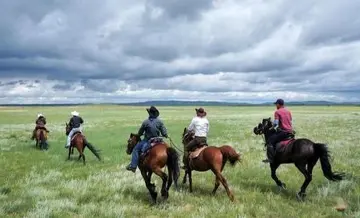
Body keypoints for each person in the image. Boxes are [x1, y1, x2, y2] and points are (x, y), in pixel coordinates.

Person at [126, 106, 168, 173]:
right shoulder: (160, 122)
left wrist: (138, 135)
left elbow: (140, 133)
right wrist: (166, 135)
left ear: (149, 113)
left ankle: (133, 166)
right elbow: (164, 133)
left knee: (135, 149)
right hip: (158, 140)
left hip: (148, 140)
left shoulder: (145, 122)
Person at [264, 99, 293, 164]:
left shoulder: (277, 112)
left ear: (279, 104)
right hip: (290, 132)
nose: (276, 105)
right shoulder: (288, 111)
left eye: (276, 104)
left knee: (270, 141)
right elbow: (290, 121)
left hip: (283, 132)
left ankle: (270, 159)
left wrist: (271, 128)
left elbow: (276, 123)